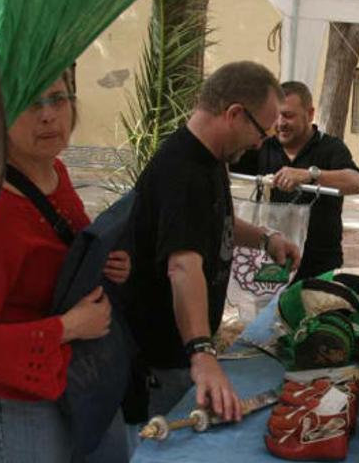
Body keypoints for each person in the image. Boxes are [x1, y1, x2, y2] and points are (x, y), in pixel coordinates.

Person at [0, 71, 132, 463]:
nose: (48, 116)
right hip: (18, 398)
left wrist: (109, 265)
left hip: (73, 378)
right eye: (30, 102)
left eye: (58, 99)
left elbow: (70, 254)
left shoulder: (55, 174)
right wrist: (67, 327)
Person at [129, 61, 302, 420]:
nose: (262, 141)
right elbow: (182, 265)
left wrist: (265, 238)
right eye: (261, 130)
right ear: (234, 114)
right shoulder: (181, 169)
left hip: (183, 356)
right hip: (166, 359)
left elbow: (214, 222)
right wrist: (202, 353)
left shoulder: (209, 160)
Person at [231, 81, 359, 280]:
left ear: (309, 114)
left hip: (319, 265)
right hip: (272, 261)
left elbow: (355, 183)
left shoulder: (330, 148)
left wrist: (311, 174)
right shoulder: (263, 146)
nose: (280, 123)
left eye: (288, 115)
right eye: (276, 116)